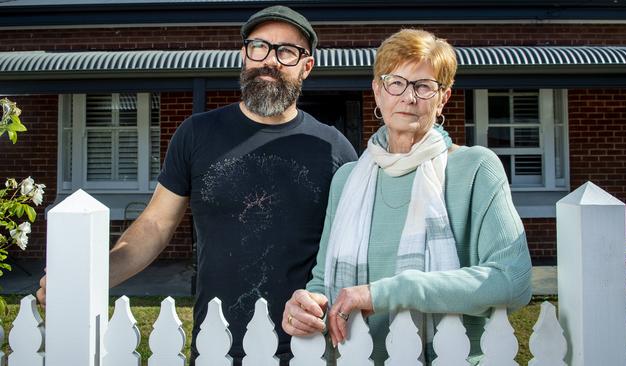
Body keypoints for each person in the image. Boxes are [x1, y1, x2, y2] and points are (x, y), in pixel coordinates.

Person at [36, 5, 357, 365]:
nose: (270, 60)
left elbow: (351, 250)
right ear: (244, 55)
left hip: (305, 349)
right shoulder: (197, 134)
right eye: (260, 47)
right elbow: (155, 226)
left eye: (286, 51)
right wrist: (91, 277)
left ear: (306, 66)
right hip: (214, 345)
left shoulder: (333, 148)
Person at [282, 29, 532, 364]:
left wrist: (384, 293)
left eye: (424, 86)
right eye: (395, 82)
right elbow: (324, 281)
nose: (408, 97)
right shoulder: (347, 179)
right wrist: (307, 304)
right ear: (377, 91)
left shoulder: (475, 169)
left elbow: (512, 281)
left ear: (443, 97)